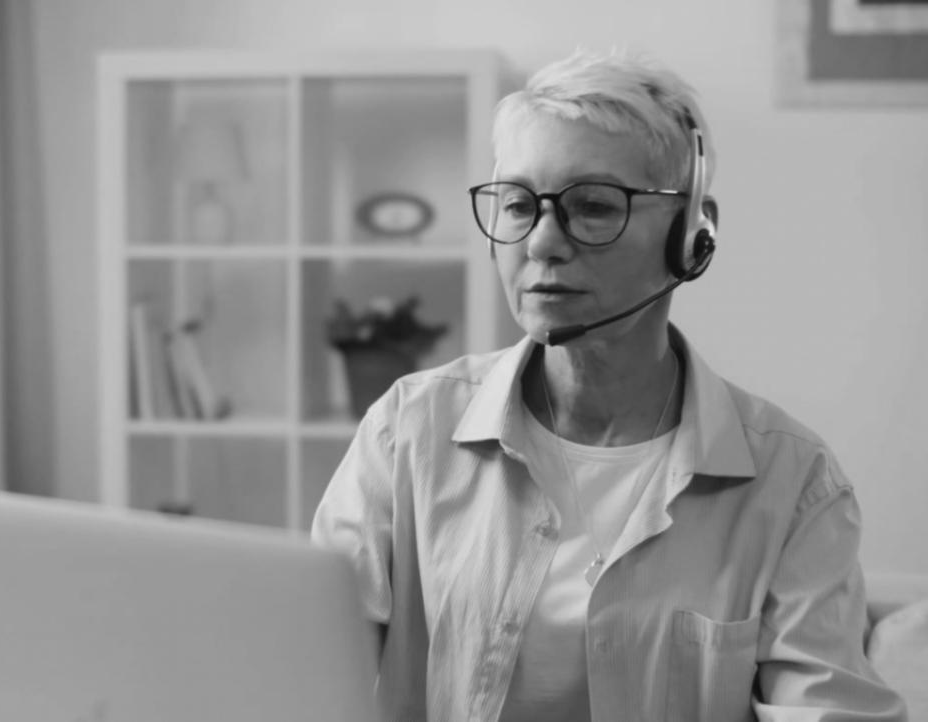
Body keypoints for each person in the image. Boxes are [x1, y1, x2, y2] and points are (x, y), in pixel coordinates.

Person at [311, 48, 907, 722]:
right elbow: (298, 671)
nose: (540, 243)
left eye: (591, 206)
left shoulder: (793, 485)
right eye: (515, 204)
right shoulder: (406, 432)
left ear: (691, 234)